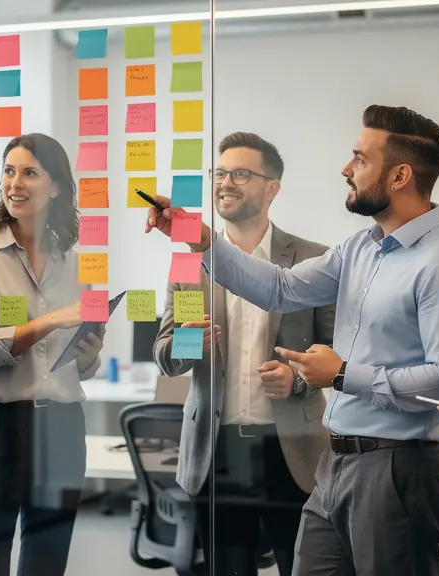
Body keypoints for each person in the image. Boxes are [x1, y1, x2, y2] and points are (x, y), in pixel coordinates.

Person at [145, 105, 439, 576]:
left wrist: (344, 374)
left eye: (360, 159)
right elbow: (280, 289)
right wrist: (194, 234)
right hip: (334, 460)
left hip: (395, 465)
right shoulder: (361, 248)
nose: (346, 170)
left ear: (399, 175)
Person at [153, 132, 333, 575]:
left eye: (240, 173)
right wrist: (189, 341)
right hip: (216, 452)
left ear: (272, 187)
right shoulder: (190, 262)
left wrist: (299, 379)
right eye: (219, 172)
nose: (224, 183)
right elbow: (166, 356)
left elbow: (338, 353)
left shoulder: (312, 260)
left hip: (292, 451)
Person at [0, 133, 105, 576]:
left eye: (30, 173)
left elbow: (85, 366)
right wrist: (49, 323)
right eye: (9, 171)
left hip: (60, 427)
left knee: (46, 565)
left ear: (56, 187)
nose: (15, 183)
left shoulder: (74, 261)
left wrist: (89, 351)